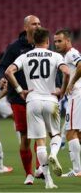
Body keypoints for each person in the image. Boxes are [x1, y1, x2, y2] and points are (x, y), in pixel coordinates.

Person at [5, 27, 70, 189]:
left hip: (32, 101)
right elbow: (67, 72)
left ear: (33, 41)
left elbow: (8, 71)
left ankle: (48, 181)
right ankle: (54, 154)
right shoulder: (55, 55)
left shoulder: (25, 55)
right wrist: (61, 91)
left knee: (40, 142)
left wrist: (20, 90)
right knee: (55, 135)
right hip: (50, 99)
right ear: (48, 41)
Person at [0, 15, 44, 184]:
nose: (38, 26)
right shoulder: (15, 47)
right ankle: (29, 174)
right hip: (19, 98)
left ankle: (40, 169)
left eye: (39, 23)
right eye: (34, 24)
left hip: (40, 96)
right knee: (25, 137)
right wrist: (1, 77)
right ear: (26, 27)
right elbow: (3, 67)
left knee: (40, 135)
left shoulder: (45, 45)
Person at [54, 29, 81, 177]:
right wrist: (63, 90)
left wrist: (72, 84)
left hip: (77, 95)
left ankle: (77, 171)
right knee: (79, 134)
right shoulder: (70, 55)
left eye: (60, 41)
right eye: (55, 41)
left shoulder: (71, 54)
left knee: (70, 132)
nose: (57, 44)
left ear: (68, 40)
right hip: (77, 94)